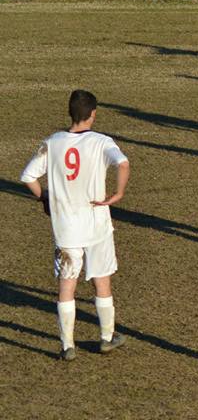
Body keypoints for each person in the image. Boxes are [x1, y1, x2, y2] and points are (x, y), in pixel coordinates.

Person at [20, 89, 130, 361]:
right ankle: (106, 337)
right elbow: (123, 163)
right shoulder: (101, 141)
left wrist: (44, 197)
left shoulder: (53, 142)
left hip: (66, 228)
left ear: (70, 113)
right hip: (96, 224)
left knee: (66, 284)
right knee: (101, 280)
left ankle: (67, 345)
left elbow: (28, 176)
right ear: (93, 114)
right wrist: (118, 193)